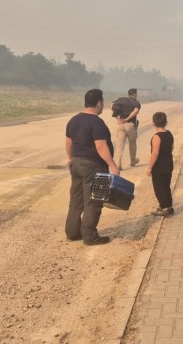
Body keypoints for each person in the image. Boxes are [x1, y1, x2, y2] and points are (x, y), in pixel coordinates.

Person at [65, 89, 119, 246]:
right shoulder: (96, 122)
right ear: (99, 103)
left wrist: (70, 159)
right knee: (93, 201)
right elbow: (101, 146)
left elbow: (69, 143)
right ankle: (90, 236)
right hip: (93, 166)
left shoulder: (74, 120)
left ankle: (72, 233)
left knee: (76, 200)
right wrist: (113, 165)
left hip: (76, 164)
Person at [147, 112, 174, 217]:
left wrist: (149, 167)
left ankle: (164, 208)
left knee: (159, 187)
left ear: (153, 123)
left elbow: (155, 153)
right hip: (169, 163)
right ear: (166, 122)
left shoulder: (156, 137)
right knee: (166, 185)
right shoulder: (169, 134)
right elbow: (171, 148)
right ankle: (168, 206)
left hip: (159, 166)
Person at [112, 88, 142, 169]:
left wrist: (117, 117)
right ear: (135, 94)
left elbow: (112, 105)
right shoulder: (136, 103)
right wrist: (127, 119)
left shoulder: (121, 100)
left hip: (120, 124)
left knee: (119, 145)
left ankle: (118, 164)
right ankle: (132, 161)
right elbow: (135, 111)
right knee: (132, 144)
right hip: (130, 125)